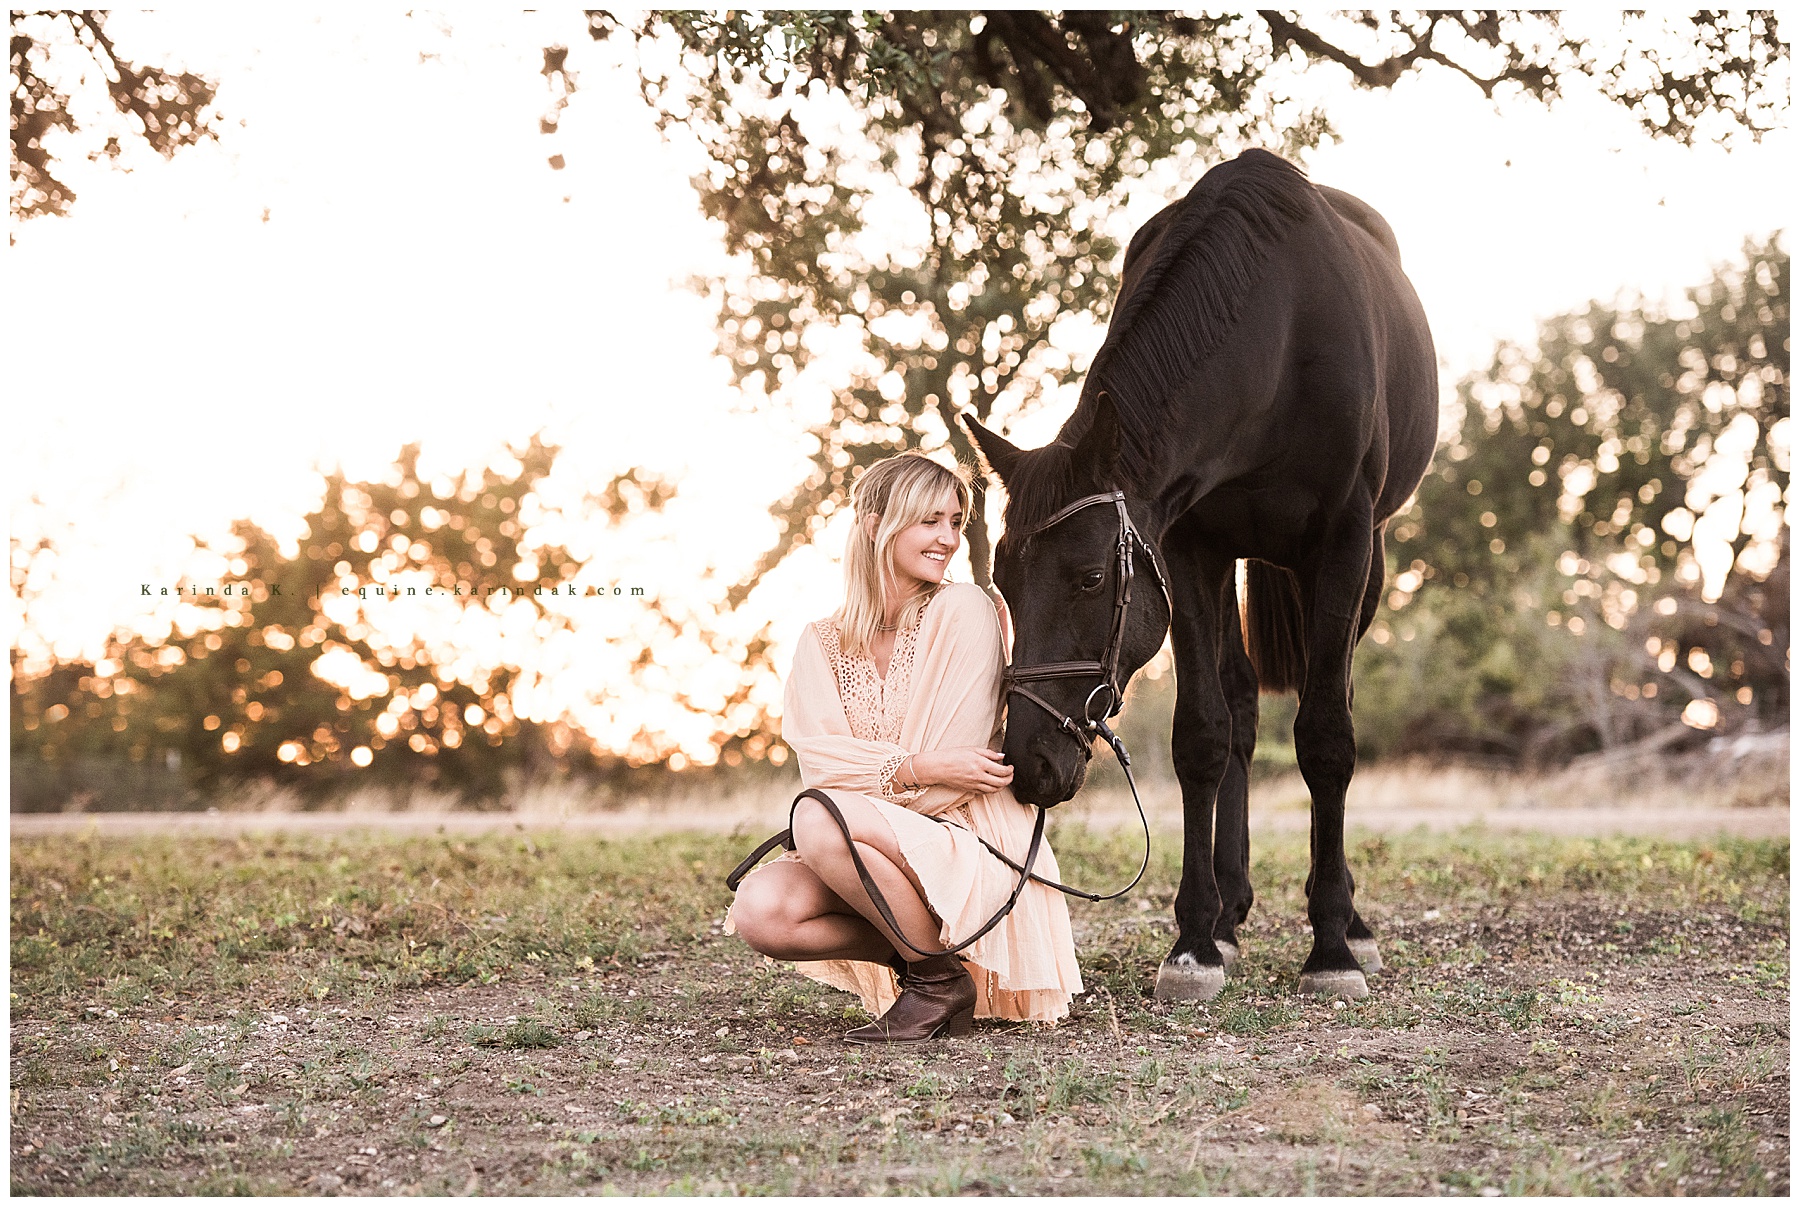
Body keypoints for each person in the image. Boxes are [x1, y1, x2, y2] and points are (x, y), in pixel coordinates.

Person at [727, 451, 1083, 1043]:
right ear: (874, 521)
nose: (948, 538)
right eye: (930, 521)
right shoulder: (819, 643)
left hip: (972, 843)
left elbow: (957, 777)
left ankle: (936, 975)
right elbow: (820, 766)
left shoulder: (965, 609)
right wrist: (913, 768)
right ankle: (936, 967)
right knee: (760, 908)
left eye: (956, 522)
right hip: (873, 850)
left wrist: (854, 805)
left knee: (818, 818)